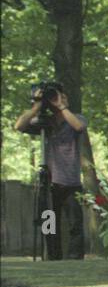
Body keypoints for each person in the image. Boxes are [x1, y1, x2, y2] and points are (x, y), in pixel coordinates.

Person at [15, 83, 87, 260]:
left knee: (75, 224)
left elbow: (79, 127)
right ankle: (53, 258)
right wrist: (38, 105)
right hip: (50, 182)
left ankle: (75, 260)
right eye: (55, 97)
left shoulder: (75, 118)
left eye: (62, 97)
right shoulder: (44, 122)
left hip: (71, 181)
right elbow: (19, 126)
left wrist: (62, 107)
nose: (61, 100)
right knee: (49, 224)